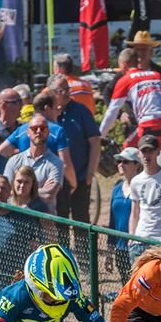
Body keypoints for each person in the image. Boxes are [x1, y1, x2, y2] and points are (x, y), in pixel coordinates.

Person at [99, 48, 161, 151]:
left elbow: (112, 111)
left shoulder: (125, 80)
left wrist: (101, 136)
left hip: (149, 125)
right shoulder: (156, 75)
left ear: (123, 64)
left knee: (127, 153)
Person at [48, 74, 101, 224]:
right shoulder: (47, 113)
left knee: (81, 222)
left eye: (67, 89)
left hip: (80, 176)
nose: (66, 93)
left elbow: (95, 142)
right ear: (51, 92)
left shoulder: (81, 111)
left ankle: (82, 242)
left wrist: (90, 172)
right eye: (61, 90)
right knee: (59, 222)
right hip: (55, 179)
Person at [3, 115, 67, 213]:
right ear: (28, 132)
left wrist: (17, 191)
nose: (38, 131)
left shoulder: (56, 163)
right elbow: (5, 192)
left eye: (43, 128)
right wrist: (40, 190)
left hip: (43, 219)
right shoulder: (14, 160)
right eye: (34, 128)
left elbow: (48, 195)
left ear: (48, 133)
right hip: (15, 217)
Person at [109, 148, 140, 279]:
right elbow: (112, 222)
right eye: (119, 161)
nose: (121, 164)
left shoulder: (143, 188)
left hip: (138, 247)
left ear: (137, 164)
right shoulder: (116, 189)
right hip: (120, 248)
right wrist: (109, 252)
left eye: (126, 161)